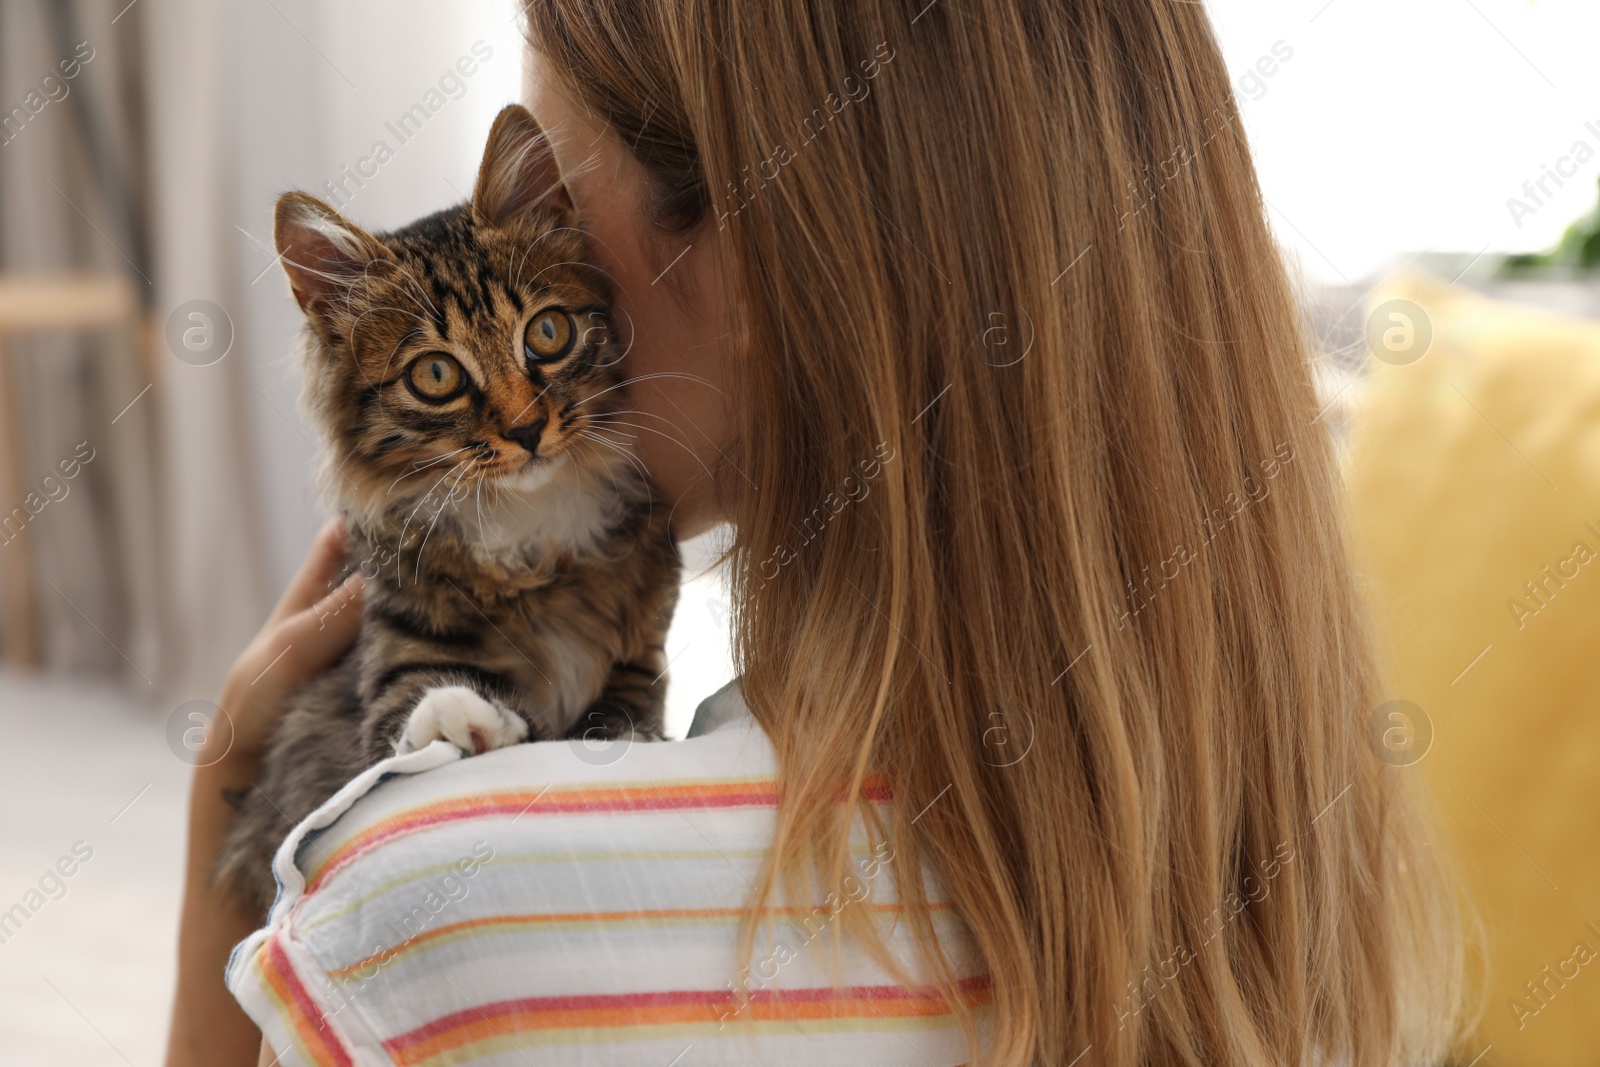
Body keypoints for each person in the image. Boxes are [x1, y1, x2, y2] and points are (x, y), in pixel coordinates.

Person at [166, 2, 1467, 1065]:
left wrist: (232, 839)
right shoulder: (1304, 873)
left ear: (751, 261)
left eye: (557, 190)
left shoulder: (430, 902)